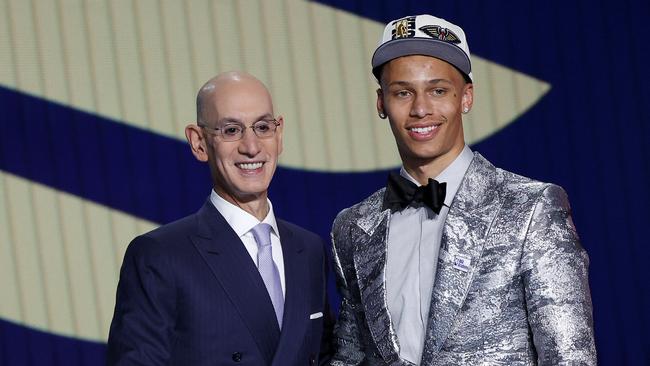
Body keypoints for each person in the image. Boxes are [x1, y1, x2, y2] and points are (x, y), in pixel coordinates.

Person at [329, 14, 596, 365]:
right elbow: (349, 357)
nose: (421, 109)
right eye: (402, 92)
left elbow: (569, 358)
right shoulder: (353, 227)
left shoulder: (531, 208)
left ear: (466, 97)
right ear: (382, 103)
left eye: (438, 90)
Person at [107, 71, 331, 365]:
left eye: (263, 127)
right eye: (231, 130)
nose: (251, 146)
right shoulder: (160, 255)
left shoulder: (308, 249)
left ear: (279, 135)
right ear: (199, 142)